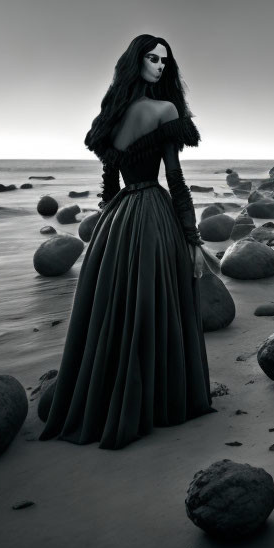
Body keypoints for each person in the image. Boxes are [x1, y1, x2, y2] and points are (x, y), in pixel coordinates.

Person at [40, 34, 216, 449]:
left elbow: (107, 188)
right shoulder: (166, 110)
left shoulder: (110, 118)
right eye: (152, 58)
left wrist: (109, 224)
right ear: (136, 61)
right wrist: (192, 239)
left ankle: (111, 399)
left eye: (164, 61)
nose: (159, 65)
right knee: (156, 304)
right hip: (153, 214)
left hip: (117, 219)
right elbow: (174, 181)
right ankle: (157, 402)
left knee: (118, 311)